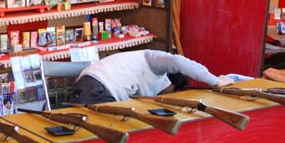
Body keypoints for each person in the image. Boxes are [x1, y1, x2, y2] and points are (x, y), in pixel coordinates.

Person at [69, 50, 235, 105]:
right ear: (173, 86)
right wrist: (216, 81)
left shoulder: (140, 70)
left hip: (89, 86)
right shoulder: (154, 60)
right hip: (98, 90)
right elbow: (179, 60)